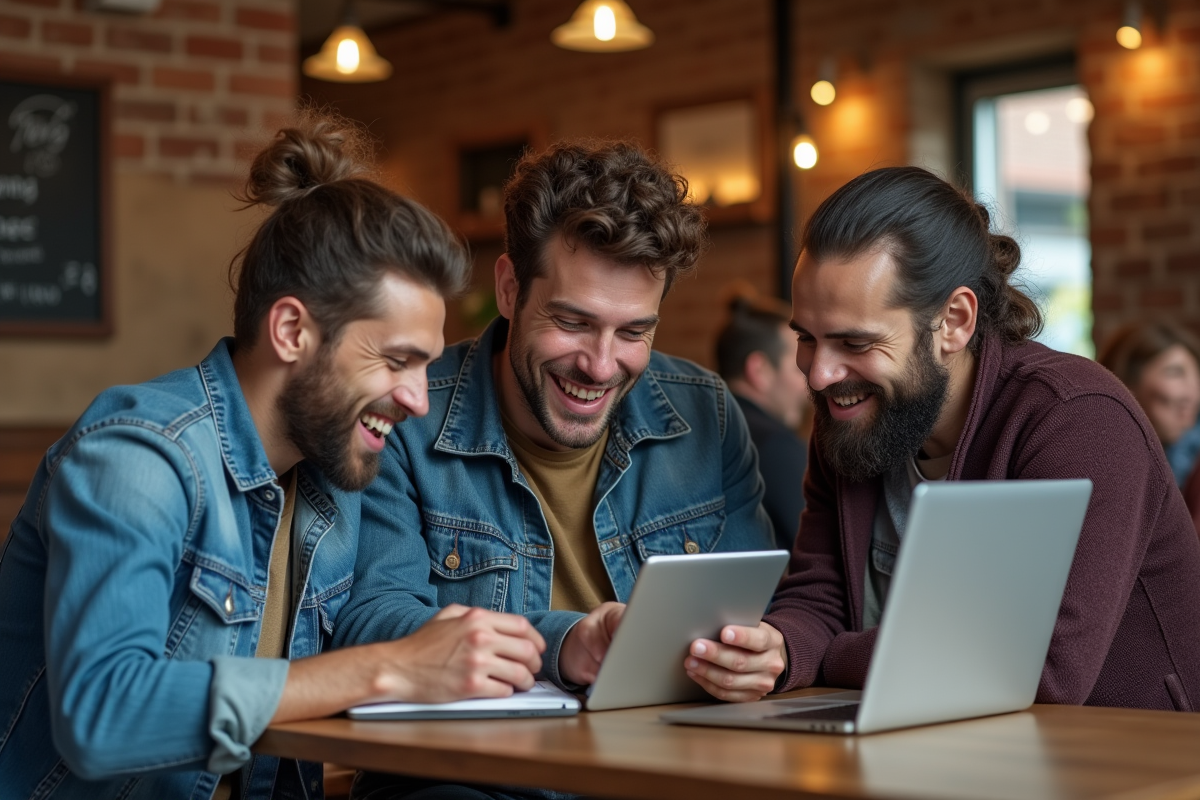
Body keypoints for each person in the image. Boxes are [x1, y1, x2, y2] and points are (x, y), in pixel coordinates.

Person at [0, 114, 548, 800]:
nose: (416, 399)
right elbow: (103, 714)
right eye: (396, 361)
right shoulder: (139, 458)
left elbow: (389, 624)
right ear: (291, 330)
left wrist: (570, 641)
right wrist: (389, 670)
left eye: (426, 366)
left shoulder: (333, 467)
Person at [337, 140, 774, 799]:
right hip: (465, 778)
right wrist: (567, 644)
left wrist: (767, 651)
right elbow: (370, 619)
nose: (600, 365)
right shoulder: (405, 415)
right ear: (510, 289)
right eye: (573, 322)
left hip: (664, 769)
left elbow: (759, 607)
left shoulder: (708, 414)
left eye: (633, 332)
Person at [683, 166, 1200, 711]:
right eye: (807, 339)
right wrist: (780, 648)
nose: (819, 375)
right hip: (946, 744)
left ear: (954, 320)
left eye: (854, 342)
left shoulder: (1078, 419)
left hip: (1132, 761)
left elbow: (1040, 672)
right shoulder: (852, 416)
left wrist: (825, 655)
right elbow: (818, 596)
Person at [715, 289, 810, 550]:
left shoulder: (701, 433)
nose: (811, 383)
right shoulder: (774, 445)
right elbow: (819, 548)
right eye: (798, 369)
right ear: (759, 370)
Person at [1100, 323, 1200, 533]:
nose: (1192, 393)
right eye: (1175, 373)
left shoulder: (1192, 467)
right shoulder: (1102, 462)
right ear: (1127, 381)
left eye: (1196, 375)